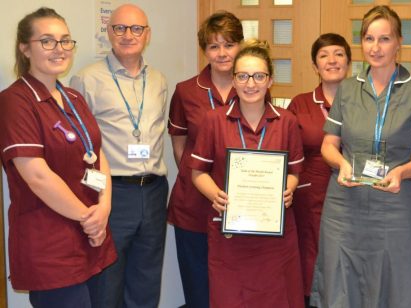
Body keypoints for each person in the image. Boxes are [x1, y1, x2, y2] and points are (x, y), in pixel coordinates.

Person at [310, 5, 411, 307]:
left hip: (392, 206)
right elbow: (329, 145)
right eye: (368, 39)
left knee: (394, 284)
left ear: (398, 43)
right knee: (341, 282)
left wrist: (402, 172)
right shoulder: (348, 89)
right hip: (344, 204)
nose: (375, 47)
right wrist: (340, 164)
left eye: (384, 39)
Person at [0, 7, 116, 307]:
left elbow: (97, 152)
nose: (59, 49)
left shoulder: (74, 98)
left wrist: (103, 208)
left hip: (91, 235)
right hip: (50, 243)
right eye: (47, 41)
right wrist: (88, 218)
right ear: (25, 48)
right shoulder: (15, 101)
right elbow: (37, 175)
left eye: (65, 41)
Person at [189, 39, 305, 307]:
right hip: (230, 236)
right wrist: (214, 195)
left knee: (276, 298)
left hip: (274, 237)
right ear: (233, 80)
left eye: (258, 76)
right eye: (242, 76)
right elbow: (198, 173)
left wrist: (289, 188)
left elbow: (295, 171)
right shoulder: (214, 120)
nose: (250, 84)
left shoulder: (287, 121)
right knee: (230, 298)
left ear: (270, 80)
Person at [70, 3, 169, 307]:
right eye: (120, 28)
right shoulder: (86, 79)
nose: (128, 35)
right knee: (107, 279)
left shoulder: (159, 81)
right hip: (112, 193)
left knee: (147, 278)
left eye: (136, 28)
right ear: (109, 32)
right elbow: (79, 149)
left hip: (153, 191)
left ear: (147, 34)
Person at [167, 11, 242, 307]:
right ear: (205, 50)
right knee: (198, 288)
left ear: (240, 46)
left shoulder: (252, 86)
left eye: (229, 44)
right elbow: (179, 145)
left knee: (234, 285)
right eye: (214, 46)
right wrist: (196, 179)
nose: (222, 53)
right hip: (194, 204)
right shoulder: (186, 91)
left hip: (239, 204)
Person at [287, 33, 351, 305]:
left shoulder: (364, 102)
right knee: (310, 258)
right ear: (315, 65)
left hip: (352, 194)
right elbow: (286, 152)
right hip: (308, 197)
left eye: (338, 53)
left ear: (349, 61)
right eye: (324, 55)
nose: (332, 60)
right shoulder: (300, 104)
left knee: (345, 260)